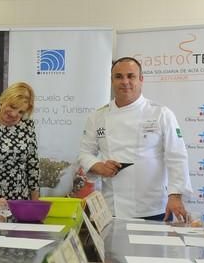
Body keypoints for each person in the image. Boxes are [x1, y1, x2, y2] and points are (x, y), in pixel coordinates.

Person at [78, 57, 192, 221]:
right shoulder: (97, 117)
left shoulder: (161, 113)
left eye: (131, 76)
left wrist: (175, 196)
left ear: (141, 79)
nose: (125, 81)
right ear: (111, 81)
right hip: (112, 208)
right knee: (113, 248)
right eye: (118, 77)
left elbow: (177, 156)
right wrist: (98, 166)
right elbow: (84, 153)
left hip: (152, 207)